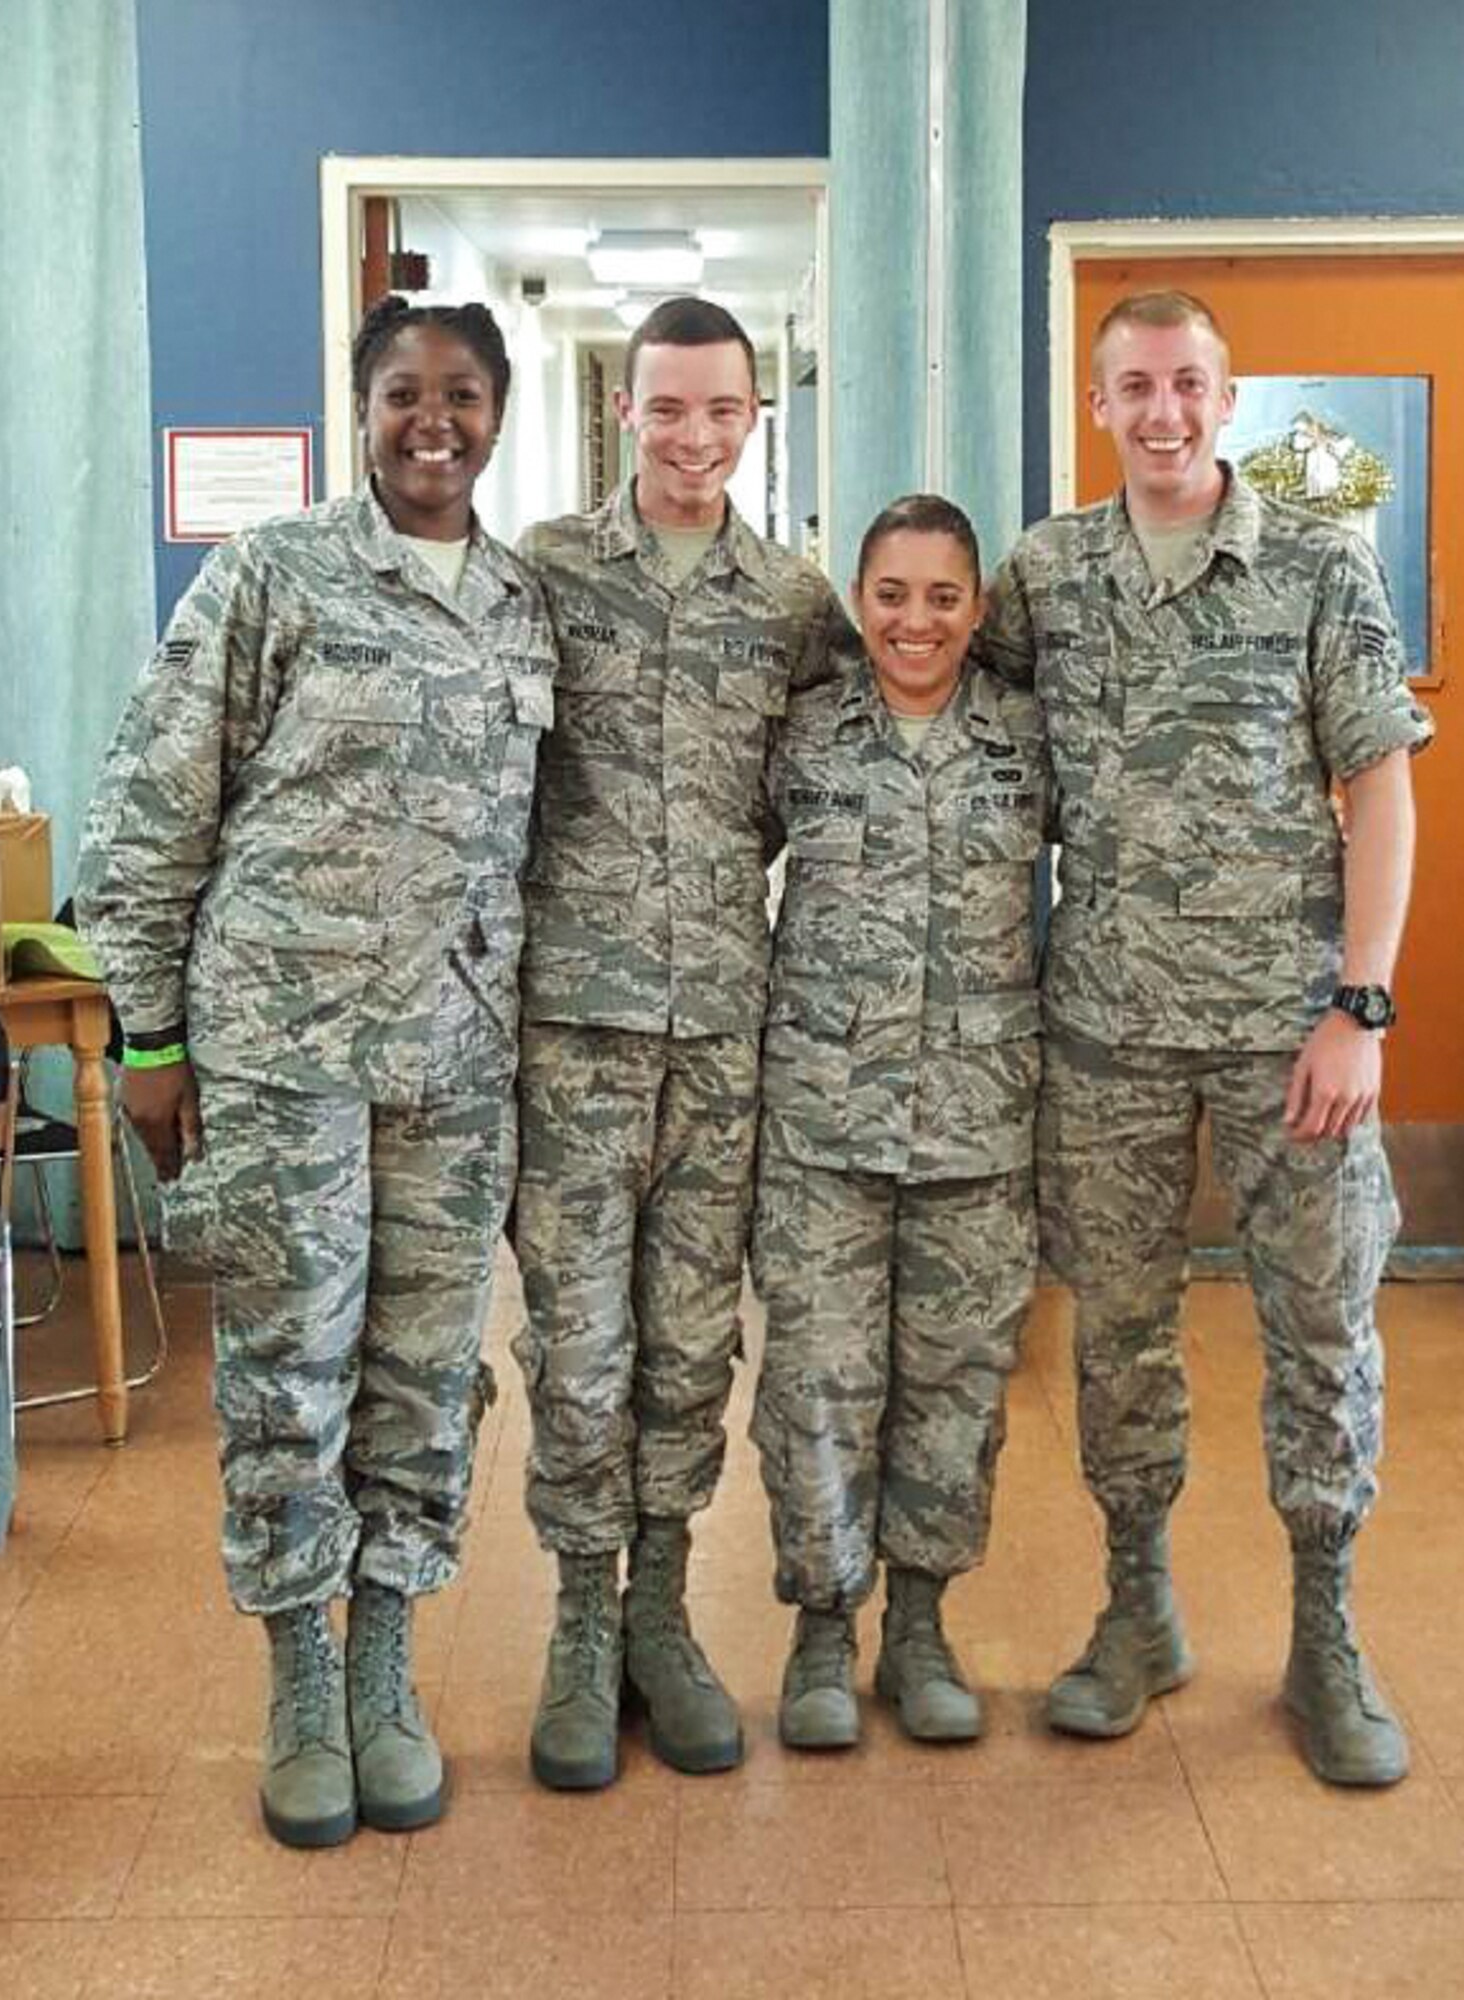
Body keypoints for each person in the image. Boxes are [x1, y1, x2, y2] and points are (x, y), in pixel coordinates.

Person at [76, 294, 555, 1847]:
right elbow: (151, 812)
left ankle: (386, 1671)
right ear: (362, 410)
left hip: (454, 1065)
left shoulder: (520, 604)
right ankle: (297, 1673)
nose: (436, 422)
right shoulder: (271, 575)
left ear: (498, 412)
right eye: (406, 393)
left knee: (422, 1380)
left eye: (463, 395)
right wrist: (149, 1034)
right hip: (283, 1058)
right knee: (288, 1373)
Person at [982, 289, 1434, 1787]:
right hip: (1103, 1032)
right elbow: (968, 749)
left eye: (1186, 383)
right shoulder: (1045, 575)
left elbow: (1377, 789)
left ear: (1225, 400)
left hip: (1284, 1040)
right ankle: (1137, 1610)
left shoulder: (1316, 564)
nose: (1161, 411)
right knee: (1115, 1338)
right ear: (1095, 403)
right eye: (1133, 386)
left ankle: (1324, 1637)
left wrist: (1357, 1007)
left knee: (1317, 1335)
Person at [511, 296, 844, 1790]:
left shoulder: (794, 602)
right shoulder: (546, 573)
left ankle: (662, 1614)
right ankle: (580, 1624)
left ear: (753, 416)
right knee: (577, 1349)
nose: (694, 438)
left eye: (721, 411)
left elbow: (832, 785)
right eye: (667, 410)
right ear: (623, 413)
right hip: (569, 1032)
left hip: (722, 1027)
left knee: (688, 1347)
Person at [752, 496, 1045, 1751]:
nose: (912, 621)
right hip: (821, 1120)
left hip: (980, 1126)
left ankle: (920, 1623)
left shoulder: (1033, 740)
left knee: (954, 1386)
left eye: (940, 597)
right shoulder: (802, 735)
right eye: (889, 594)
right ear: (853, 599)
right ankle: (823, 1623)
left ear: (978, 609)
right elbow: (715, 866)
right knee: (817, 1382)